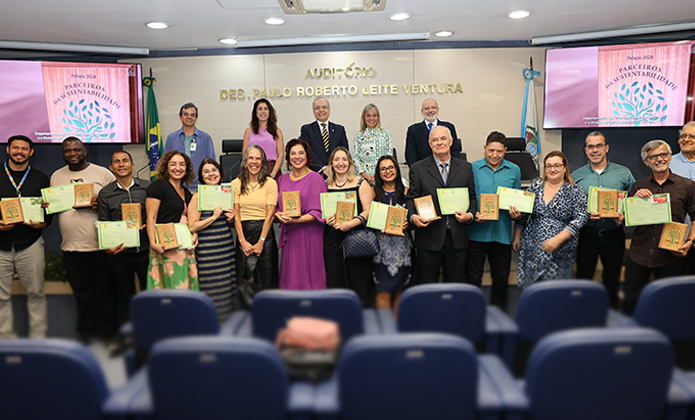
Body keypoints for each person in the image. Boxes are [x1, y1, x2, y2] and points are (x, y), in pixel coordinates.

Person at [50, 137, 116, 344]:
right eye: (67, 151)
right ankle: (87, 333)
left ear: (85, 151)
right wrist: (47, 205)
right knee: (82, 294)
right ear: (63, 153)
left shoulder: (102, 173)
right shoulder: (56, 176)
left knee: (105, 293)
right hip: (71, 246)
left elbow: (116, 203)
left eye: (76, 149)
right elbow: (55, 205)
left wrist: (101, 205)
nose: (72, 153)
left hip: (100, 246)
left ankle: (108, 333)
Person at [623, 140, 695, 314]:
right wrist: (634, 201)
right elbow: (626, 220)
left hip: (671, 255)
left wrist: (690, 240)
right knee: (631, 303)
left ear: (670, 157)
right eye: (653, 156)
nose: (659, 159)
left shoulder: (687, 186)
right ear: (646, 162)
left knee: (669, 305)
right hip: (639, 254)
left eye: (663, 155)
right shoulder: (638, 186)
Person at [571, 131, 635, 308]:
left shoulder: (624, 173)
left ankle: (611, 314)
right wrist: (584, 214)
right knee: (583, 277)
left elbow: (633, 202)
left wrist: (624, 217)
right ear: (585, 150)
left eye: (599, 145)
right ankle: (583, 313)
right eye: (590, 146)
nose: (595, 150)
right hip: (586, 235)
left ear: (606, 148)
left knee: (612, 278)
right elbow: (571, 207)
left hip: (614, 234)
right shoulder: (576, 176)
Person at [406, 126, 476, 284]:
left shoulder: (466, 168)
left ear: (451, 141)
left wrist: (470, 215)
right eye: (435, 140)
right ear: (430, 144)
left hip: (457, 238)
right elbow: (411, 198)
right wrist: (413, 217)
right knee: (427, 286)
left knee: (456, 285)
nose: (439, 143)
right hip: (428, 238)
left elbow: (472, 197)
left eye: (443, 139)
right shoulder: (418, 169)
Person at [0, 135, 53, 338]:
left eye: (24, 149)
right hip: (1, 246)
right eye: (15, 148)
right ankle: (5, 341)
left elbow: (49, 209)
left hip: (30, 244)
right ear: (8, 150)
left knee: (36, 294)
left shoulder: (41, 178)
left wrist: (45, 223)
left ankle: (39, 340)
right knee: (1, 298)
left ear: (31, 152)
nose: (19, 152)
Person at [512, 151, 588, 288]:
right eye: (549, 166)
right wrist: (517, 235)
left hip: (561, 249)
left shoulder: (575, 190)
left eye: (557, 165)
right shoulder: (535, 186)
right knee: (532, 289)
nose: (552, 169)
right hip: (532, 247)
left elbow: (581, 217)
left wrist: (558, 239)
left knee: (554, 291)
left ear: (565, 168)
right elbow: (524, 213)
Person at [97, 150, 150, 332]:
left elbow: (154, 216)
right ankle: (128, 336)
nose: (121, 164)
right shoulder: (105, 193)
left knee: (148, 295)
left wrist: (148, 226)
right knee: (125, 297)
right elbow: (104, 223)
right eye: (117, 162)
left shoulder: (147, 187)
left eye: (125, 161)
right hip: (120, 252)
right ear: (111, 168)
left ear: (133, 165)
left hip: (145, 251)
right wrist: (107, 247)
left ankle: (148, 332)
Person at [467, 132, 522, 309]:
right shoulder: (471, 168)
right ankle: (473, 313)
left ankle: (500, 316)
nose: (494, 155)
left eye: (499, 151)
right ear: (484, 148)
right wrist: (473, 213)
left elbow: (517, 200)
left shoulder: (514, 170)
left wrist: (517, 214)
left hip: (502, 234)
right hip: (475, 233)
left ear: (505, 150)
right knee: (473, 279)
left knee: (501, 279)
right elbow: (467, 198)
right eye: (491, 150)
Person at [323, 147, 374, 304]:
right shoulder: (325, 185)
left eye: (344, 159)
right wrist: (327, 219)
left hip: (356, 237)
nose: (341, 163)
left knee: (360, 282)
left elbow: (368, 211)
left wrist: (351, 224)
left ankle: (363, 319)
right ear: (331, 164)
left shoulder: (360, 182)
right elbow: (323, 212)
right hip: (333, 240)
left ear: (350, 162)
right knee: (335, 282)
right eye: (337, 159)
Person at [275, 139, 327, 289]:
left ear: (307, 156)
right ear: (288, 158)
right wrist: (278, 215)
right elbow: (279, 207)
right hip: (290, 235)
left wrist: (295, 221)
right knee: (291, 275)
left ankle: (314, 310)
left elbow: (319, 212)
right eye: (293, 153)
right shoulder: (282, 179)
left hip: (310, 235)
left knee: (310, 275)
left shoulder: (316, 179)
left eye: (300, 153)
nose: (297, 157)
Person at [188, 158, 235, 320]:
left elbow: (232, 224)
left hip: (225, 249)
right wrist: (214, 217)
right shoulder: (197, 196)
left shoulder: (227, 192)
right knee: (210, 288)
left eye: (213, 170)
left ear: (220, 172)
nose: (211, 174)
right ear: (201, 176)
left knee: (227, 287)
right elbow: (192, 226)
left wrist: (231, 219)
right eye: (206, 171)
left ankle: (226, 324)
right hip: (208, 252)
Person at [145, 150, 199, 290]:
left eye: (182, 164)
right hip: (165, 248)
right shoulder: (158, 186)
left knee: (185, 288)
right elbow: (151, 217)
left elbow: (189, 220)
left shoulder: (186, 192)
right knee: (170, 290)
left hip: (185, 248)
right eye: (173, 164)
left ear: (186, 169)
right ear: (166, 168)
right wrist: (152, 243)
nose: (178, 168)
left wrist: (194, 234)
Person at [232, 145, 279, 303]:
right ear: (245, 162)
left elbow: (270, 215)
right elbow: (236, 216)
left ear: (263, 162)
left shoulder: (270, 183)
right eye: (251, 158)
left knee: (267, 280)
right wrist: (242, 241)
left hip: (265, 236)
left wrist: (261, 241)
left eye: (258, 158)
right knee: (245, 279)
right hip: (243, 234)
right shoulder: (236, 184)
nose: (254, 162)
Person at [373, 155, 415, 318]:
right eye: (383, 168)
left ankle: (397, 329)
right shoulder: (372, 192)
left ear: (397, 169)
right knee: (383, 291)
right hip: (381, 250)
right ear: (378, 172)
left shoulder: (406, 191)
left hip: (403, 249)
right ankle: (384, 328)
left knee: (400, 290)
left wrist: (408, 224)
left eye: (391, 167)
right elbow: (367, 217)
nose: (387, 171)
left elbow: (413, 217)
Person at [164, 102, 216, 192]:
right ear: (180, 117)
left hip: (199, 187)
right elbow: (165, 164)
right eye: (186, 114)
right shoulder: (171, 138)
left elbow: (211, 163)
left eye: (192, 115)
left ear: (196, 118)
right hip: (176, 187)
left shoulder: (205, 138)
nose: (189, 117)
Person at [669, 121, 695, 275]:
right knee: (676, 284)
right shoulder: (667, 163)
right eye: (683, 136)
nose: (686, 139)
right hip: (676, 239)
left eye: (692, 136)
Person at [405, 98, 460, 167]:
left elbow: (455, 152)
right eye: (427, 108)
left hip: (446, 168)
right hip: (422, 171)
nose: (430, 111)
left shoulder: (449, 127)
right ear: (422, 111)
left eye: (433, 107)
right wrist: (417, 172)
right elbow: (410, 155)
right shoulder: (413, 130)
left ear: (438, 109)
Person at [298, 97, 349, 173]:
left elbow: (344, 151)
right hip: (314, 172)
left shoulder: (340, 129)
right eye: (318, 108)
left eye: (324, 107)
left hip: (337, 171)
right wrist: (322, 168)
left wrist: (332, 167)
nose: (321, 110)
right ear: (314, 111)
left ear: (329, 110)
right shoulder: (306, 129)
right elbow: (305, 151)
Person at [242, 98, 285, 180]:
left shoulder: (277, 131)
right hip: (253, 168)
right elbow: (245, 154)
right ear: (255, 112)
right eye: (260, 109)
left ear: (270, 112)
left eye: (266, 109)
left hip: (272, 168)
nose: (263, 111)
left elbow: (281, 155)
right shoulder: (249, 131)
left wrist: (272, 174)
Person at [352, 103, 393, 183]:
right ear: (364, 118)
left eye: (374, 115)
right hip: (364, 178)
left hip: (383, 176)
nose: (371, 118)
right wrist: (364, 175)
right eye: (368, 115)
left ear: (378, 117)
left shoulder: (386, 134)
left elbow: (389, 156)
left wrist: (381, 173)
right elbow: (355, 158)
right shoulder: (359, 136)